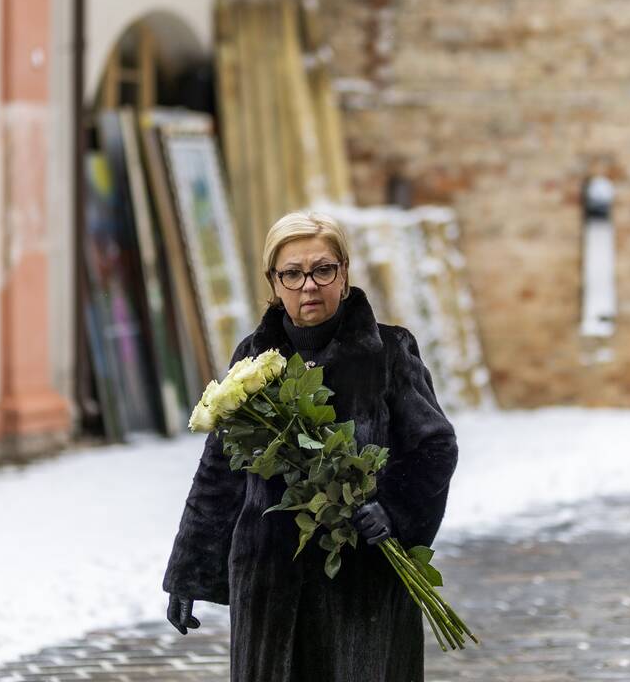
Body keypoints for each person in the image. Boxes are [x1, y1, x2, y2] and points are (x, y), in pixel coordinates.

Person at [161, 211, 459, 681]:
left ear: (344, 274)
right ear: (274, 283)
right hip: (269, 584)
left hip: (361, 582)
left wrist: (394, 510)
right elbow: (220, 470)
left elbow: (435, 447)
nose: (308, 286)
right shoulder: (253, 360)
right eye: (292, 274)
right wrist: (188, 572)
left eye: (323, 270)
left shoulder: (389, 351)